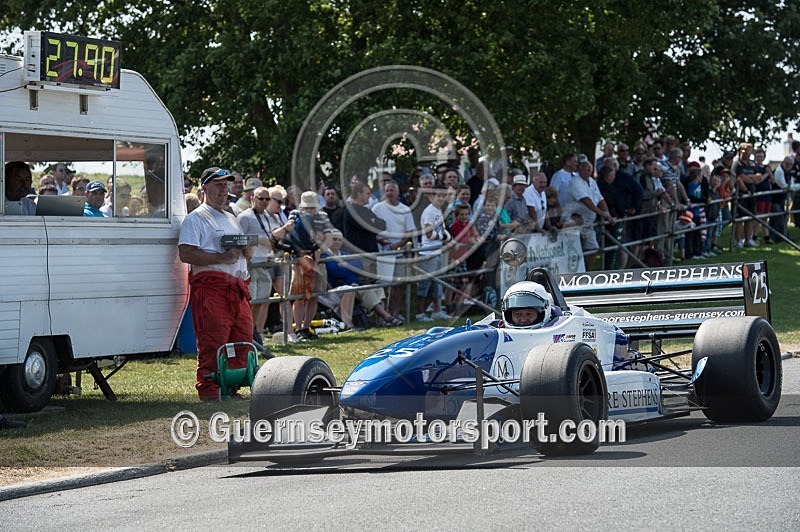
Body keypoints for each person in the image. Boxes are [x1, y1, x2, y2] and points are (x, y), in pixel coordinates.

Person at [178, 167, 254, 401]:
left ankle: (231, 385)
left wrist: (246, 251)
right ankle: (210, 389)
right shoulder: (196, 218)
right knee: (214, 338)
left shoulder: (231, 217)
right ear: (205, 188)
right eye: (219, 185)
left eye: (226, 185)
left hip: (237, 287)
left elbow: (243, 254)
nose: (224, 190)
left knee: (241, 337)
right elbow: (186, 253)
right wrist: (219, 258)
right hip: (213, 289)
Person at [320, 229, 401, 328]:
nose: (337, 242)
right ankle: (387, 317)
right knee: (366, 290)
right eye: (334, 239)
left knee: (378, 288)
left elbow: (359, 266)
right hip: (340, 287)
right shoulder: (325, 256)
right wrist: (349, 267)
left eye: (339, 240)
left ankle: (381, 320)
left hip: (356, 284)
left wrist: (344, 265)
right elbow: (336, 272)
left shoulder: (346, 254)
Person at [238, 186, 277, 345]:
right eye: (261, 198)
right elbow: (237, 239)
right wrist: (257, 240)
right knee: (252, 301)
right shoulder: (244, 217)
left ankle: (255, 331)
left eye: (268, 199)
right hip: (251, 265)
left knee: (262, 301)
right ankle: (247, 333)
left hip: (266, 263)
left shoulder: (269, 216)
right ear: (252, 198)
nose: (265, 202)